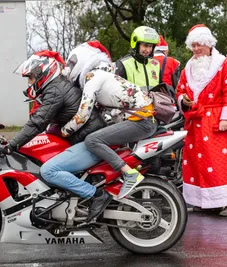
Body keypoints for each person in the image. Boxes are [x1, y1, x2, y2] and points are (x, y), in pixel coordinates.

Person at [40, 41, 157, 223]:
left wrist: (62, 131)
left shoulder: (93, 77)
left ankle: (129, 174)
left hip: (141, 121)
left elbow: (82, 115)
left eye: (71, 64)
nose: (69, 68)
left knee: (92, 140)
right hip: (140, 119)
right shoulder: (102, 76)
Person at [0, 50, 106, 219]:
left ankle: (96, 195)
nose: (29, 83)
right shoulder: (57, 86)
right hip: (85, 138)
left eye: (31, 78)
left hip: (91, 142)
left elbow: (37, 122)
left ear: (43, 74)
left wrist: (12, 145)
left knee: (49, 171)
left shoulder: (55, 91)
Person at [176, 24, 227, 216]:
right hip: (195, 121)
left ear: (209, 44)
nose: (197, 49)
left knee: (221, 160)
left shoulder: (225, 65)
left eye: (200, 45)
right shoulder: (188, 67)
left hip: (216, 120)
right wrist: (183, 100)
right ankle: (202, 200)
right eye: (194, 45)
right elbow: (180, 90)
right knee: (197, 162)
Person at [115, 26, 160, 91]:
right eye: (145, 45)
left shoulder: (156, 64)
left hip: (153, 101)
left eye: (151, 46)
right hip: (133, 101)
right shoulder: (123, 64)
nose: (148, 50)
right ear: (136, 44)